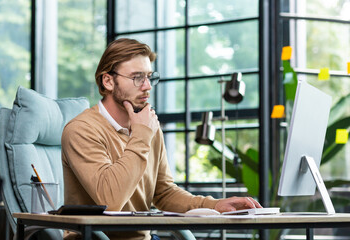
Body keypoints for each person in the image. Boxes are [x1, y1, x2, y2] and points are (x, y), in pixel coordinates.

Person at [61, 38, 262, 240]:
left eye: (149, 77)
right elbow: (111, 199)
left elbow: (164, 193)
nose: (147, 86)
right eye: (137, 77)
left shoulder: (148, 127)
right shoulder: (82, 130)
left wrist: (214, 205)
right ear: (108, 81)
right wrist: (140, 134)